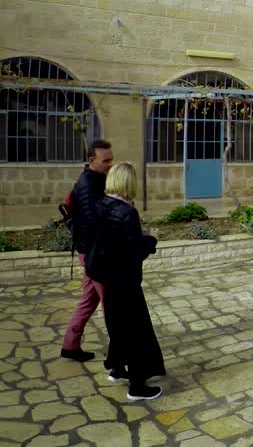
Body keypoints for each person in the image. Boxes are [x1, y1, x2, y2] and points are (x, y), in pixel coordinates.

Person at [85, 162, 165, 401]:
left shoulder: (100, 205)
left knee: (117, 325)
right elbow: (133, 251)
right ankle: (137, 386)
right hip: (125, 280)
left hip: (107, 278)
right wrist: (151, 241)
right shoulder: (127, 212)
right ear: (128, 182)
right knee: (136, 331)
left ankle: (117, 369)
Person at [60, 139, 112, 363]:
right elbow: (95, 223)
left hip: (89, 250)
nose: (111, 164)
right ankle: (120, 356)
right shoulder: (89, 185)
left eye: (112, 159)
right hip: (94, 252)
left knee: (89, 299)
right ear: (92, 160)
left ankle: (70, 346)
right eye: (106, 160)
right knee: (112, 303)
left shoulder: (97, 179)